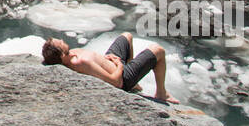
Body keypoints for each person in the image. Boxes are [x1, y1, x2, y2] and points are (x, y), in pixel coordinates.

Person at [40, 31, 177, 103]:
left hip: (111, 61)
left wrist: (109, 59)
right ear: (62, 55)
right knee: (158, 50)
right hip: (123, 77)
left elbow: (96, 60)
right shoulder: (80, 63)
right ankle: (161, 93)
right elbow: (115, 82)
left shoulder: (71, 54)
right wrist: (119, 65)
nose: (63, 40)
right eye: (60, 43)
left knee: (127, 36)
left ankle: (136, 84)